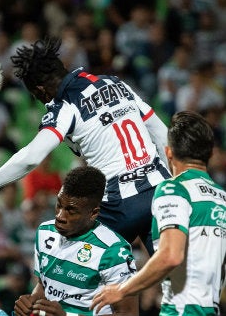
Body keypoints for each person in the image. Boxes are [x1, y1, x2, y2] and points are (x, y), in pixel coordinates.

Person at [0, 38, 171, 254]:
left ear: (41, 90)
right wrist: (171, 181)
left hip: (119, 204)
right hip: (160, 190)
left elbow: (32, 156)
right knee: (173, 275)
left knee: (68, 268)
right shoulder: (115, 83)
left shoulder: (64, 107)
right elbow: (162, 135)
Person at [91, 111, 226, 316]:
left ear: (168, 153)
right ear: (210, 154)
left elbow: (171, 255)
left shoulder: (173, 189)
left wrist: (122, 290)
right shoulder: (221, 197)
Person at [13, 166, 138, 316]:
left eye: (71, 211)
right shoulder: (45, 232)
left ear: (93, 213)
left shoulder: (113, 252)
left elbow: (128, 313)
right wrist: (30, 302)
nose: (60, 216)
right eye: (59, 205)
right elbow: (43, 286)